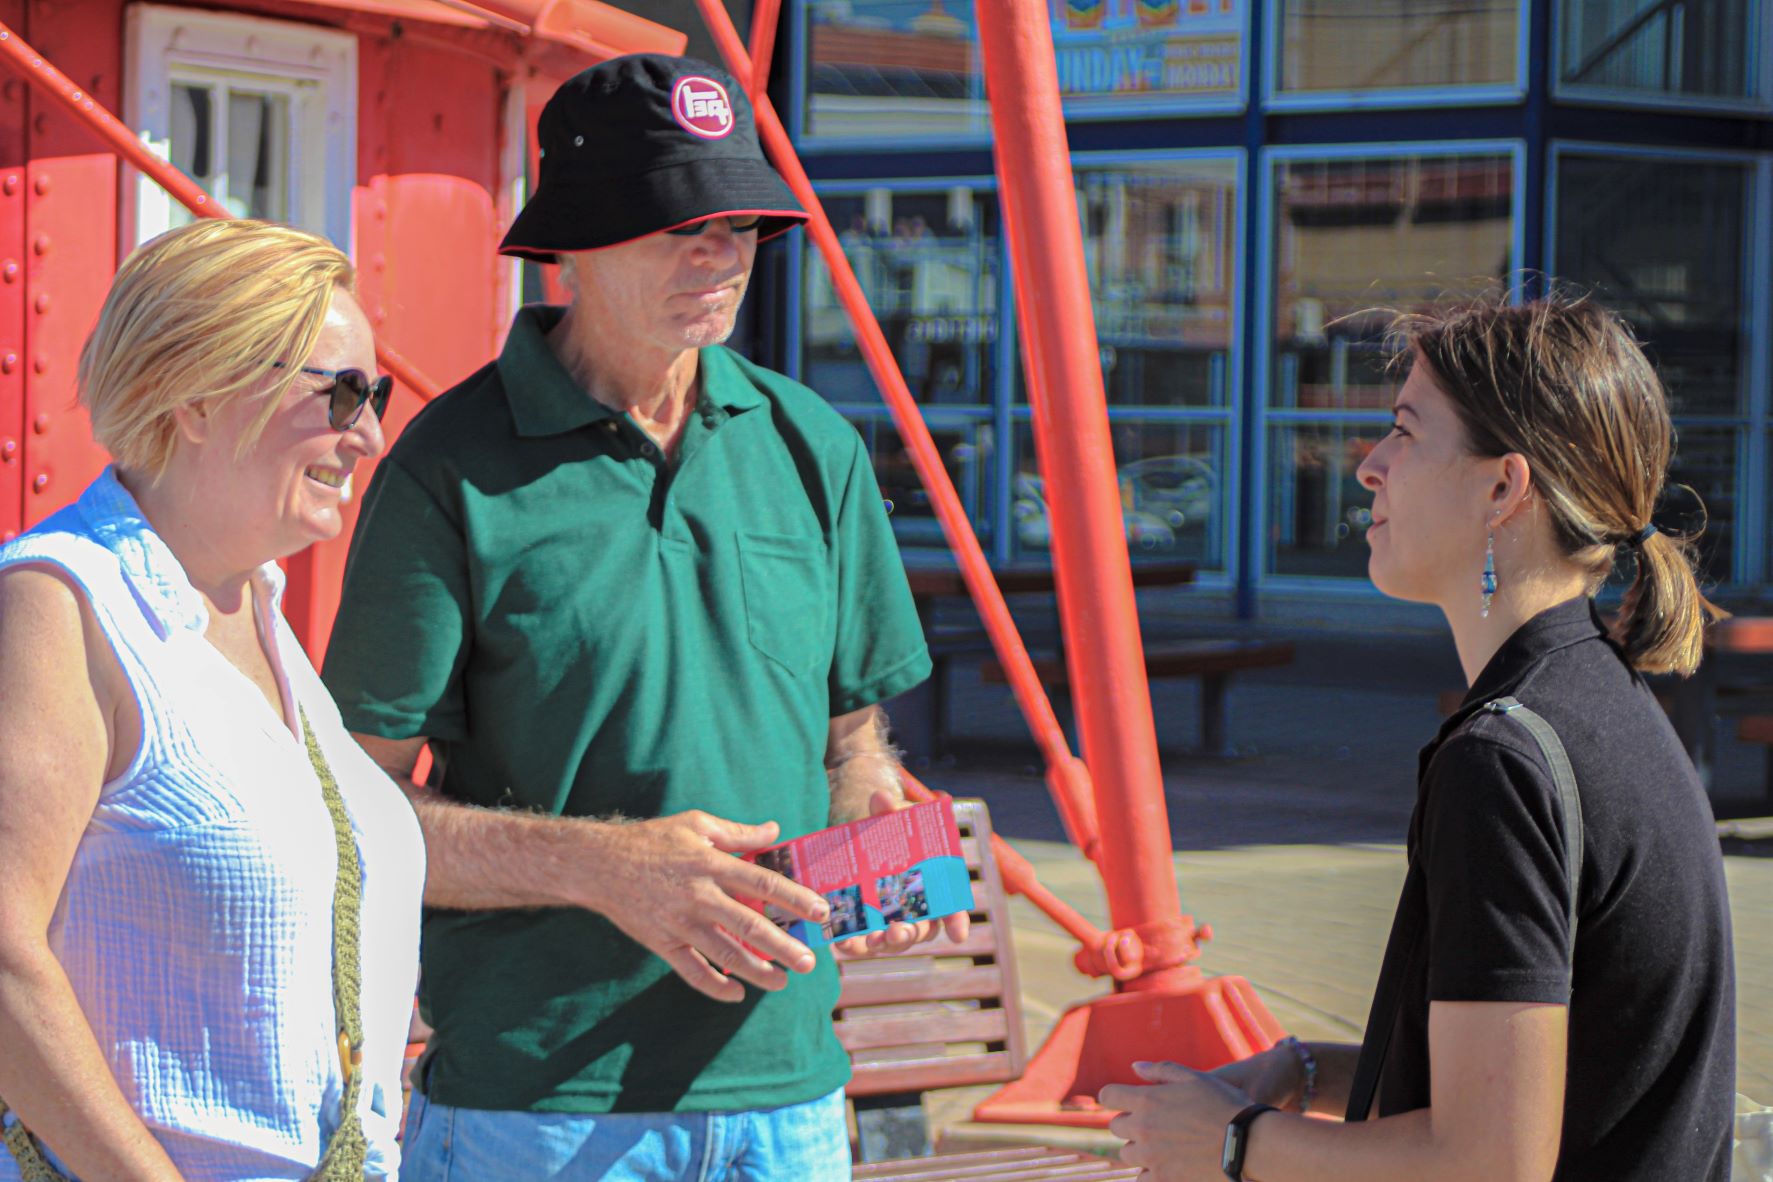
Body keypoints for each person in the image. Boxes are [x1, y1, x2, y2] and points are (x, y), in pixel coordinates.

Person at [321, 54, 955, 1181]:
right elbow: (348, 812)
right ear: (573, 244)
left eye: (743, 224)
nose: (722, 254)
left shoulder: (817, 447)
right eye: (679, 223)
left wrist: (881, 845)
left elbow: (852, 738)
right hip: (538, 1110)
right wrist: (610, 868)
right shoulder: (448, 471)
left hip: (793, 1100)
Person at [1102, 292, 1736, 1182]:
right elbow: (1543, 1084)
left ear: (1503, 486)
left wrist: (1233, 1143)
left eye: (1403, 431)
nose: (1368, 466)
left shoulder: (1503, 761)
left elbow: (1487, 1159)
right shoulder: (1601, 699)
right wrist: (1305, 1069)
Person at [0, 218, 424, 1180]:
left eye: (378, 395)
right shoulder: (61, 603)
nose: (369, 433)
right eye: (342, 393)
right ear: (197, 396)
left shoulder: (255, 607)